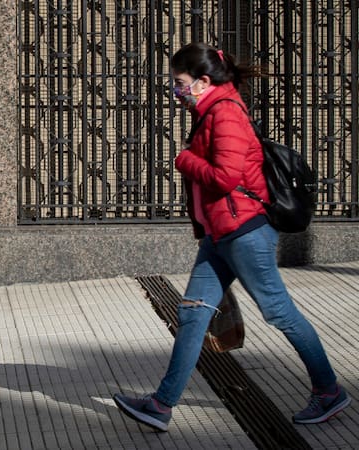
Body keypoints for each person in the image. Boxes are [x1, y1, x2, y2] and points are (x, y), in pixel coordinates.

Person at [113, 43, 350, 432]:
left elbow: (225, 178)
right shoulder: (208, 112)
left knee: (279, 312)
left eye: (180, 84)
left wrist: (185, 159)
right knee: (192, 315)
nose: (176, 92)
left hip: (245, 234)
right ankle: (161, 405)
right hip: (220, 235)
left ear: (204, 81)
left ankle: (328, 390)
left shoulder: (224, 115)